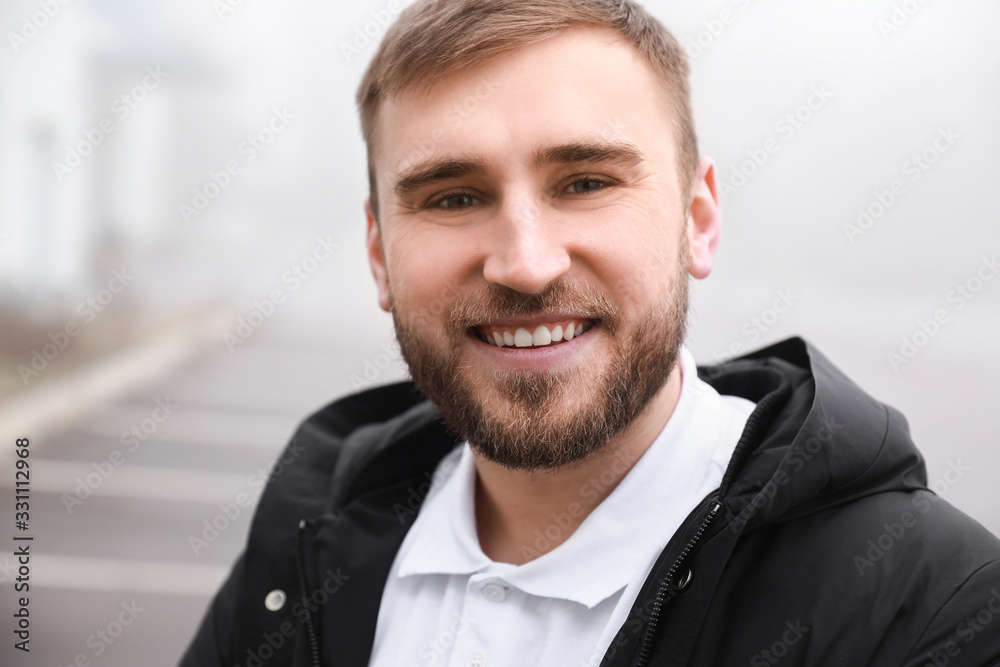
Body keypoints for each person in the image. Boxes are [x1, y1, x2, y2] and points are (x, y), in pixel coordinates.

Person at [180, 1, 1000, 665]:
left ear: (697, 220)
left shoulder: (929, 606)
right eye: (453, 196)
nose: (526, 265)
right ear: (379, 255)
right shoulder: (307, 539)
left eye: (584, 181)